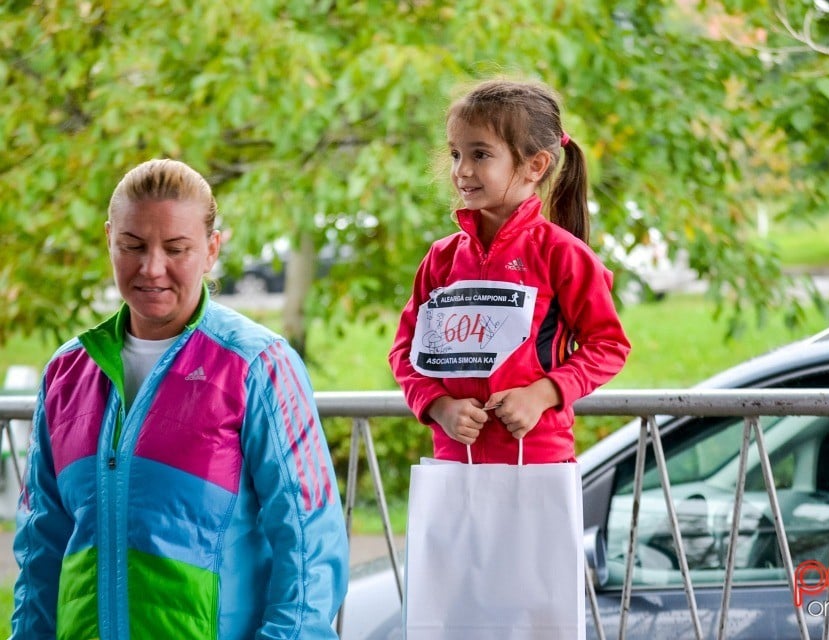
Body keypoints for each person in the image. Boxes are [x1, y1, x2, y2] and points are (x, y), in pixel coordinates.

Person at [11, 159, 349, 639]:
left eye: (176, 249)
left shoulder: (258, 366)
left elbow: (310, 542)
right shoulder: (68, 372)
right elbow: (41, 546)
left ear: (212, 249)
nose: (151, 268)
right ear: (109, 238)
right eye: (132, 245)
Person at [389, 79, 631, 464]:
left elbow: (609, 345)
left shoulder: (562, 254)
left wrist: (544, 394)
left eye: (480, 154)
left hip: (537, 464)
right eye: (455, 154)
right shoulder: (441, 258)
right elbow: (404, 350)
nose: (462, 170)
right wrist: (438, 406)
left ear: (535, 165)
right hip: (455, 466)